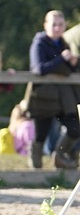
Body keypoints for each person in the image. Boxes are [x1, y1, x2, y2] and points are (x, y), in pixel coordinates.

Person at [25, 10, 80, 169]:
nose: (57, 28)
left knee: (75, 129)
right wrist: (62, 58)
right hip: (44, 96)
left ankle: (59, 157)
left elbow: (67, 70)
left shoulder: (63, 43)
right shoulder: (39, 43)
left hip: (64, 97)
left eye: (60, 24)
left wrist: (73, 62)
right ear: (45, 25)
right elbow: (39, 68)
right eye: (54, 24)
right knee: (41, 135)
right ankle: (35, 171)